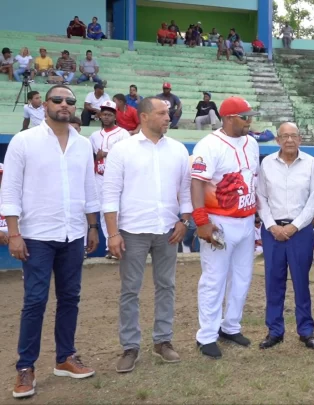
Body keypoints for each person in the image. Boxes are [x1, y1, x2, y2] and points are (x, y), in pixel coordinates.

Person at [4, 85, 100, 399]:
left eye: (70, 101)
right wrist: (14, 233)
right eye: (57, 99)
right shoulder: (24, 141)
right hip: (36, 235)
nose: (64, 104)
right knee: (34, 301)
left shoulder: (83, 145)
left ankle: (65, 358)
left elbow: (89, 188)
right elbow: (11, 191)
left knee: (70, 297)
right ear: (44, 104)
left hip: (73, 233)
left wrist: (93, 227)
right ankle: (25, 367)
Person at [103, 97, 192, 373]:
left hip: (168, 230)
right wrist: (113, 233)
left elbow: (186, 190)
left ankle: (163, 341)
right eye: (162, 113)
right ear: (143, 117)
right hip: (132, 232)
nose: (169, 117)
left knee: (167, 286)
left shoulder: (177, 150)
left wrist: (184, 221)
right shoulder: (122, 150)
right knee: (130, 289)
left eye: (168, 113)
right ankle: (130, 346)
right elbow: (110, 194)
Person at [192, 97, 260, 359]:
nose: (250, 121)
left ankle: (230, 326)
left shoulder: (251, 142)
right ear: (230, 118)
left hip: (245, 219)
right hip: (219, 220)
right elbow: (197, 182)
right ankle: (206, 335)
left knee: (242, 278)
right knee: (214, 279)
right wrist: (201, 221)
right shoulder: (209, 144)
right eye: (245, 117)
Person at [256, 122, 314, 350]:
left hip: (300, 232)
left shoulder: (311, 164)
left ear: (300, 139)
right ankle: (275, 330)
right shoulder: (267, 164)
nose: (289, 140)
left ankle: (306, 330)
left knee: (301, 282)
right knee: (273, 282)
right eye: (284, 136)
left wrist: (294, 227)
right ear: (277, 140)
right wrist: (272, 225)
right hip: (272, 232)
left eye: (293, 136)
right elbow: (261, 197)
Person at [89, 100, 131, 258]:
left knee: (119, 210)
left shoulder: (123, 133)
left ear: (115, 116)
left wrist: (106, 153)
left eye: (109, 114)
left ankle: (122, 245)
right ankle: (110, 247)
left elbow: (127, 155)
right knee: (103, 211)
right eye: (104, 114)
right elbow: (90, 157)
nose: (106, 117)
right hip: (99, 176)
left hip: (117, 177)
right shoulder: (94, 136)